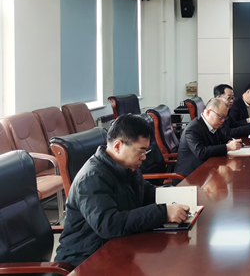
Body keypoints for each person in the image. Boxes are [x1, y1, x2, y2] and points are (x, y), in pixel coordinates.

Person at [55, 114, 190, 267]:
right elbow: (109, 225)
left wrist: (180, 195)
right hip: (86, 259)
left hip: (118, 246)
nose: (144, 157)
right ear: (118, 146)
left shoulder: (127, 167)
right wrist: (164, 213)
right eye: (141, 151)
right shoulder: (92, 177)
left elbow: (147, 193)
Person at [173, 98, 242, 177]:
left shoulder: (213, 124)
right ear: (208, 112)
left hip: (207, 171)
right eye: (220, 117)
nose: (223, 121)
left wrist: (231, 141)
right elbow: (201, 153)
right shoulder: (192, 130)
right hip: (189, 177)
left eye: (225, 118)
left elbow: (221, 137)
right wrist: (227, 147)